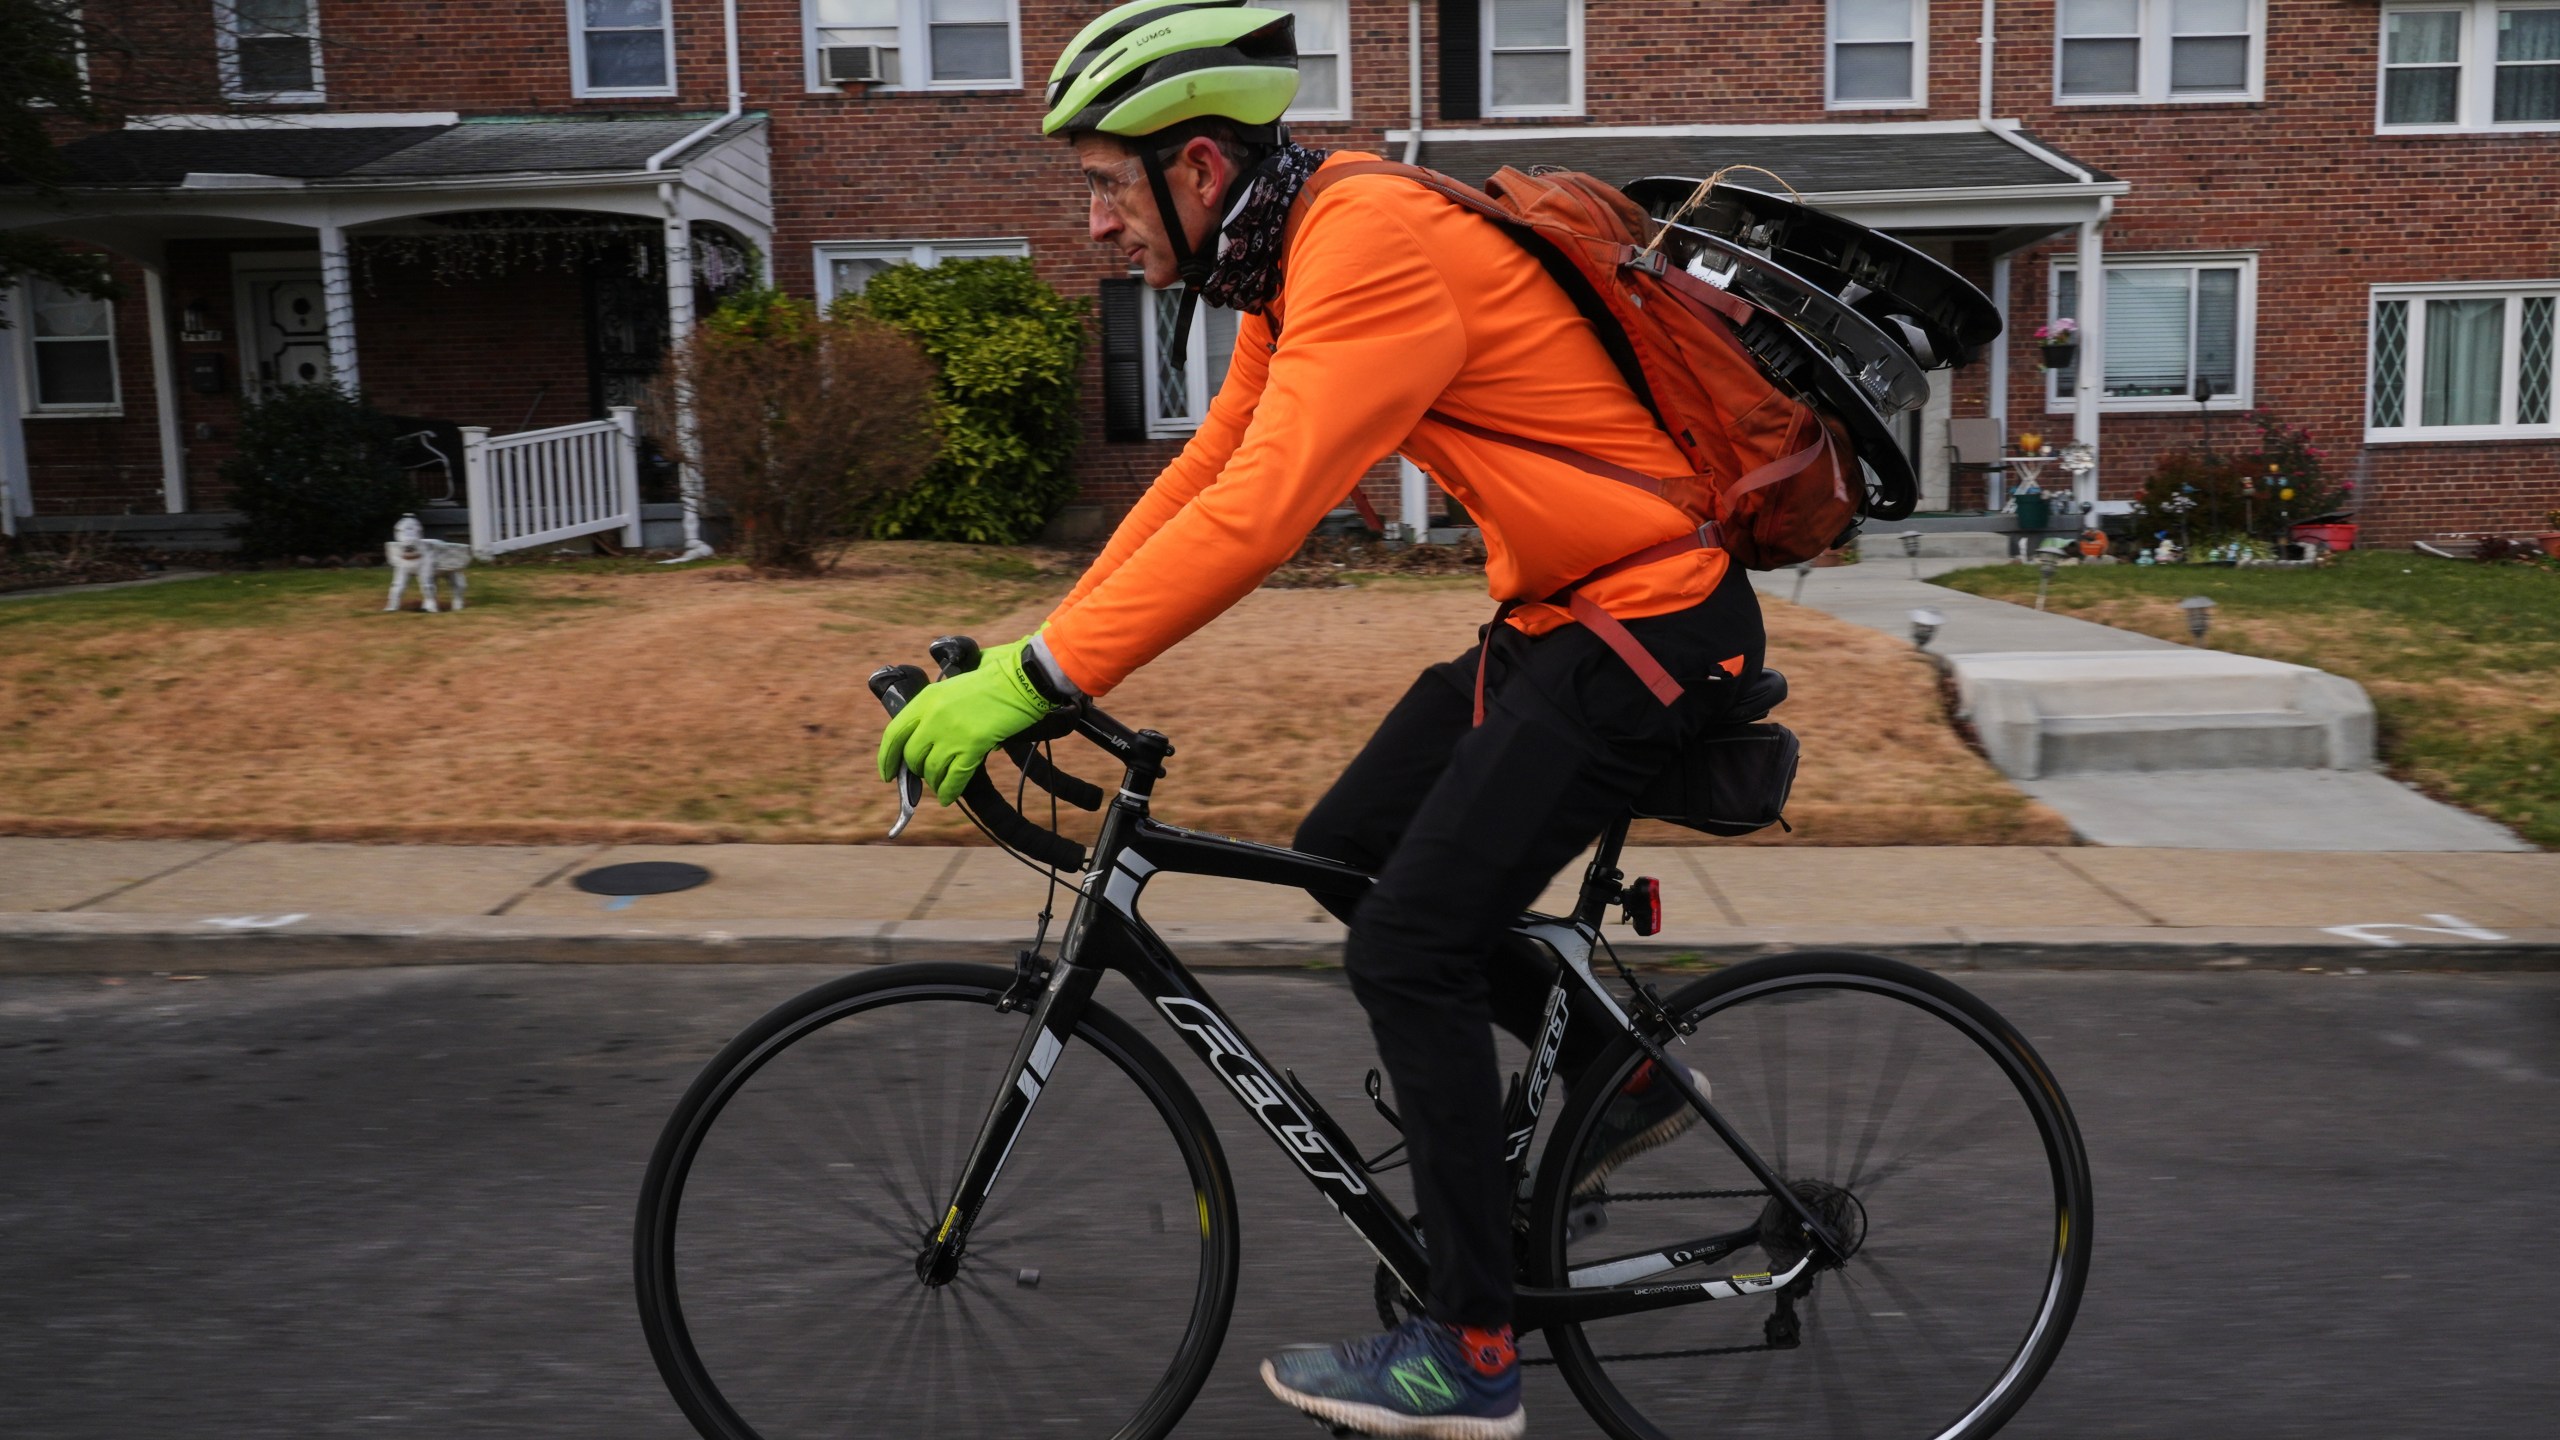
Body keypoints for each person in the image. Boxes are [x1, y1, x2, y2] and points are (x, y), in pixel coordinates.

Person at [878, 4, 1764, 1435]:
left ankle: (1470, 1354)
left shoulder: (1368, 242)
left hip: (1648, 633)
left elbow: (1268, 512)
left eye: (1107, 186)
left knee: (1410, 943)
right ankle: (1622, 1075)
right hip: (1565, 622)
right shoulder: (1291, 261)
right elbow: (1205, 477)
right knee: (1349, 845)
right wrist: (1032, 651)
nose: (1097, 225)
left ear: (1202, 169)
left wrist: (1046, 684)